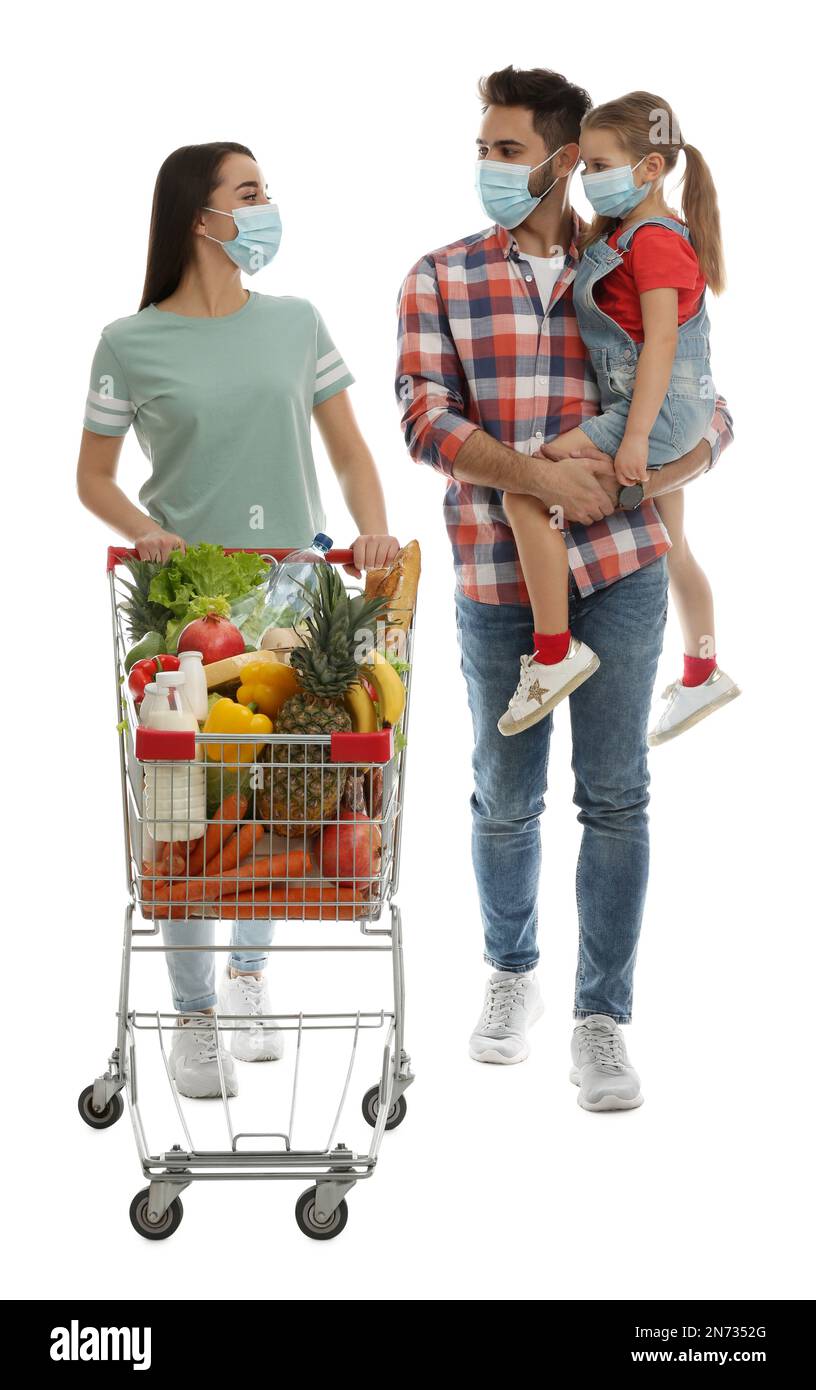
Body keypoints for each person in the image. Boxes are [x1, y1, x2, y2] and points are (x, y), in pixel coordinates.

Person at [396, 67, 734, 1110]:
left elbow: (708, 409)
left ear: (557, 157)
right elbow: (424, 421)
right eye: (484, 149)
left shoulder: (628, 257)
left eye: (506, 150)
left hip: (623, 567)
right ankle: (511, 974)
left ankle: (602, 1017)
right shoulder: (439, 276)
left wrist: (646, 471)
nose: (488, 167)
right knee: (506, 796)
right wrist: (539, 477)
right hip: (501, 571)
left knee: (618, 795)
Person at [78, 141, 399, 1099]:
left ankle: (249, 979)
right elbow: (92, 478)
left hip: (295, 592)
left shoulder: (297, 323)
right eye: (249, 193)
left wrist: (374, 534)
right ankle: (194, 1016)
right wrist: (147, 535)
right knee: (185, 810)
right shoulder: (128, 342)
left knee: (275, 795)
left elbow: (347, 452)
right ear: (198, 217)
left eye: (266, 192)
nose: (266, 209)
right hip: (183, 607)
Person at [498, 90, 740, 741]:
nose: (591, 180)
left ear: (651, 168)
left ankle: (554, 655)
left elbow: (661, 341)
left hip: (656, 412)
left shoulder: (654, 242)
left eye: (602, 166)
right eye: (587, 168)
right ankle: (703, 672)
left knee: (526, 488)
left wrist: (634, 441)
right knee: (674, 545)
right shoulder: (629, 234)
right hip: (674, 407)